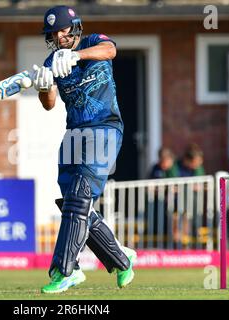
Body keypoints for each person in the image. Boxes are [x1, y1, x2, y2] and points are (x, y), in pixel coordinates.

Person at [32, 5, 137, 294]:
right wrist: (45, 86)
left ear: (75, 27)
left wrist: (76, 55)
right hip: (74, 132)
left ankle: (66, 270)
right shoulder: (51, 60)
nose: (58, 36)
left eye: (63, 30)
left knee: (80, 195)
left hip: (104, 127)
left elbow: (110, 51)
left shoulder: (92, 42)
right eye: (53, 33)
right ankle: (121, 258)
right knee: (71, 202)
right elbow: (49, 103)